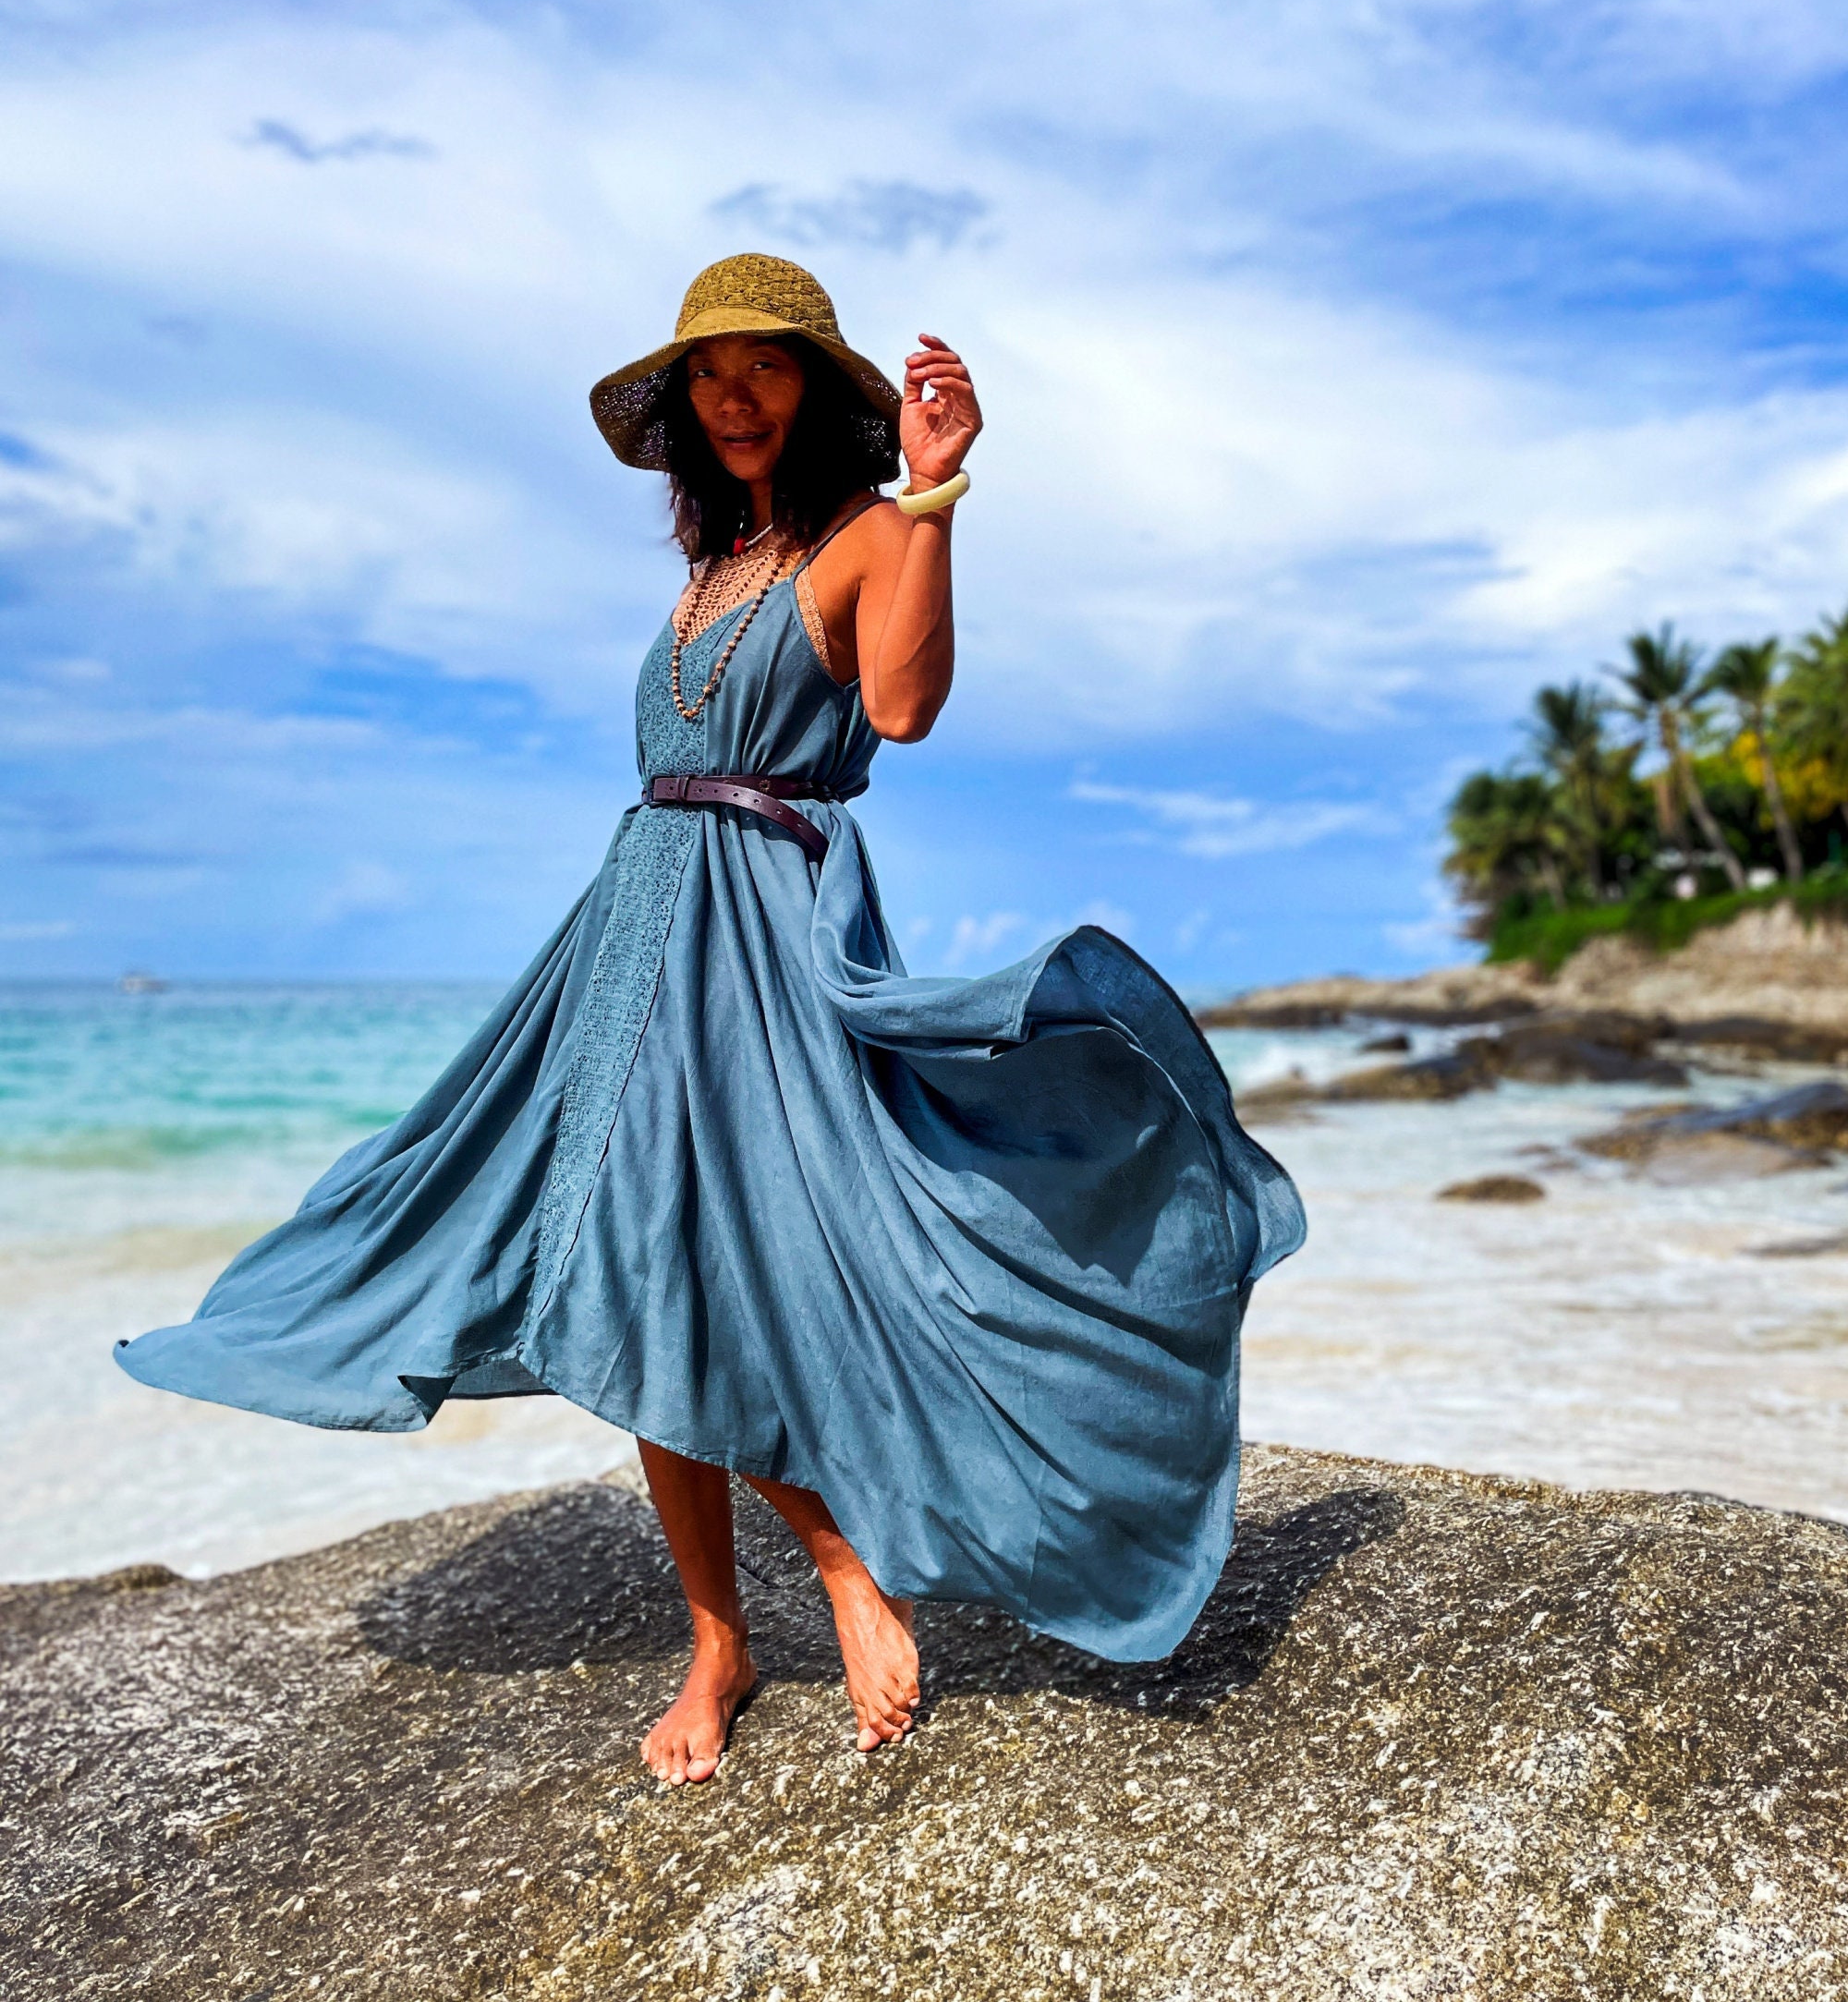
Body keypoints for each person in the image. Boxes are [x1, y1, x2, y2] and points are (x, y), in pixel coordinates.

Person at [117, 254, 1304, 1788]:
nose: (736, 396)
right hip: (633, 925)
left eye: (769, 367)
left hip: (761, 926)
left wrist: (936, 501)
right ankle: (718, 1638)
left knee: (766, 1251)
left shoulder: (868, 536)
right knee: (622, 1254)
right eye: (710, 373)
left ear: (818, 392)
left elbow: (901, 710)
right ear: (685, 405)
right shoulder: (707, 571)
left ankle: (839, 1562)